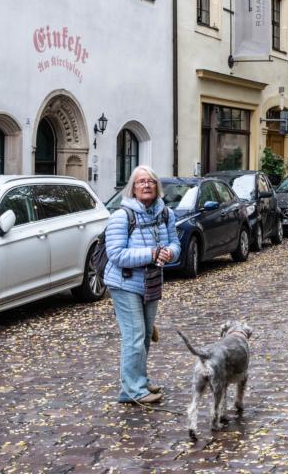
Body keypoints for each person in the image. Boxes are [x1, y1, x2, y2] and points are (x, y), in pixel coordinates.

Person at [105, 165, 180, 404]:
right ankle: (131, 391)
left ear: (157, 186)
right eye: (141, 182)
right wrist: (151, 253)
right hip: (124, 282)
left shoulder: (165, 214)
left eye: (150, 181)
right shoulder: (121, 217)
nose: (146, 185)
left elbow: (175, 243)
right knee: (134, 336)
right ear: (133, 188)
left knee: (145, 336)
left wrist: (170, 253)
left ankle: (139, 380)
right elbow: (116, 254)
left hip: (151, 282)